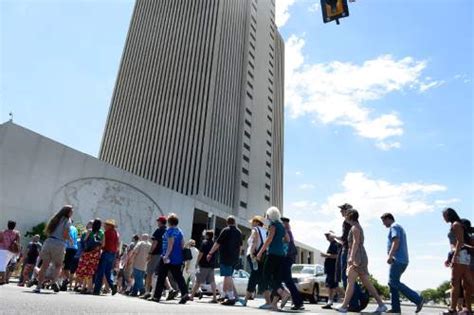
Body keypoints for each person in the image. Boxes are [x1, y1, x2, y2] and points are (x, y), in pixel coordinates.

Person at [336, 209, 388, 313]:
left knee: (350, 282)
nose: (344, 216)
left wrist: (351, 257)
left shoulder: (355, 228)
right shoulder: (357, 227)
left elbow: (355, 243)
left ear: (350, 216)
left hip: (357, 257)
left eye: (346, 215)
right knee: (366, 282)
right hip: (361, 256)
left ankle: (344, 306)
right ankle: (381, 304)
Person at [380, 213, 424, 314]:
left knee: (393, 282)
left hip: (397, 259)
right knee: (392, 284)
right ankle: (395, 308)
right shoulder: (399, 227)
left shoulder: (394, 227)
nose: (383, 224)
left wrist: (390, 256)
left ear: (388, 219)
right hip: (402, 260)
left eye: (384, 221)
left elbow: (396, 241)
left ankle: (417, 299)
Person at [331, 203, 368, 312]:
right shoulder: (353, 223)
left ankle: (355, 302)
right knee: (351, 278)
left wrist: (333, 236)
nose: (341, 211)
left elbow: (346, 239)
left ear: (348, 211)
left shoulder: (348, 223)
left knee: (347, 278)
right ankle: (358, 299)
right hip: (351, 251)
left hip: (348, 251)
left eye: (342, 209)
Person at [256, 207, 291, 311]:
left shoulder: (273, 225)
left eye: (267, 215)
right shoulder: (281, 226)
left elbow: (268, 240)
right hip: (281, 255)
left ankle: (283, 293)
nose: (266, 217)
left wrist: (260, 252)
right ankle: (275, 304)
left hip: (272, 254)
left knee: (266, 276)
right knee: (276, 279)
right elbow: (287, 239)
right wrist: (279, 243)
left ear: (270, 215)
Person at [151, 213, 189, 304]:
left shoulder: (169, 231)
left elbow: (170, 244)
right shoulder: (180, 231)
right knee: (179, 277)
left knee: (161, 276)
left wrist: (166, 256)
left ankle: (156, 296)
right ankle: (185, 293)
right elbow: (182, 244)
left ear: (169, 222)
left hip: (168, 258)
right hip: (178, 258)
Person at [33, 206, 73, 293]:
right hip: (59, 243)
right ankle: (54, 282)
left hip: (49, 241)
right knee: (58, 265)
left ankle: (39, 286)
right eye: (71, 211)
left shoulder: (55, 218)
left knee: (44, 265)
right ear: (68, 212)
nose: (72, 213)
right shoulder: (67, 220)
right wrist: (70, 239)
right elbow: (65, 234)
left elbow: (49, 230)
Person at [442, 208, 473, 315]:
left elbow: (460, 242)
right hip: (462, 255)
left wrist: (455, 256)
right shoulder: (455, 224)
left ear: (450, 215)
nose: (444, 218)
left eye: (445, 215)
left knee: (455, 282)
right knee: (468, 283)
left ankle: (452, 309)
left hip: (460, 255)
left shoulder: (456, 224)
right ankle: (459, 309)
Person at [207, 215, 243, 306]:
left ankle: (231, 297)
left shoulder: (225, 230)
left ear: (227, 222)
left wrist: (210, 253)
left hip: (225, 256)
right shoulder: (239, 232)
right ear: (234, 222)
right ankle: (223, 295)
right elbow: (240, 246)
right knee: (228, 276)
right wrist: (238, 257)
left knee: (227, 276)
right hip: (234, 258)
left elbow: (217, 243)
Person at [281, 217, 304, 310]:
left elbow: (286, 246)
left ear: (285, 223)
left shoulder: (287, 232)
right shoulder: (287, 231)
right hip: (288, 258)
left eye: (282, 223)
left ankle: (298, 302)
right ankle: (297, 301)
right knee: (287, 280)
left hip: (287, 258)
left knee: (288, 280)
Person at [141, 216, 167, 299]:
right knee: (159, 274)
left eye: (158, 221)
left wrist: (150, 253)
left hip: (156, 254)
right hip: (164, 255)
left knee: (150, 273)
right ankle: (169, 289)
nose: (157, 223)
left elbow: (155, 243)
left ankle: (148, 292)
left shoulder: (158, 230)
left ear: (160, 222)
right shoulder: (167, 231)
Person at [75, 219, 104, 294]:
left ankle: (89, 288)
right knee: (91, 270)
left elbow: (84, 240)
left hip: (87, 253)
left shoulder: (90, 231)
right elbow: (103, 244)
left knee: (85, 270)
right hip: (96, 253)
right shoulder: (102, 233)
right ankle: (85, 287)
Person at [244, 215, 267, 306]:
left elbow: (254, 241)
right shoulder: (265, 230)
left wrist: (252, 254)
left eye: (253, 222)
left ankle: (245, 300)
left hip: (255, 255)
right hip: (263, 256)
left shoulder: (255, 229)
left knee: (254, 276)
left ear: (257, 222)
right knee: (260, 277)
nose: (252, 224)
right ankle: (268, 301)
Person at [189, 230, 217, 303]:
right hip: (211, 265)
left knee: (198, 281)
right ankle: (214, 297)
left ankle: (191, 296)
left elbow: (201, 254)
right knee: (212, 281)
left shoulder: (204, 243)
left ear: (207, 235)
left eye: (205, 234)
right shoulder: (214, 243)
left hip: (204, 265)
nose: (204, 235)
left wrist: (197, 262)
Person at [93, 219, 120, 295]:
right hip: (113, 254)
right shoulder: (116, 233)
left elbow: (103, 244)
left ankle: (96, 290)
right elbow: (118, 245)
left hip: (106, 253)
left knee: (100, 272)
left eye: (106, 225)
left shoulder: (106, 233)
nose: (104, 226)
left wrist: (99, 245)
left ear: (109, 226)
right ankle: (112, 286)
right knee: (108, 272)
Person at [321, 231, 340, 309]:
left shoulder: (335, 244)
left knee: (332, 285)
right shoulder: (333, 244)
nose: (326, 237)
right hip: (330, 268)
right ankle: (330, 301)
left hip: (333, 268)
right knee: (331, 285)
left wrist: (326, 255)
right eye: (326, 236)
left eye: (328, 235)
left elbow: (336, 256)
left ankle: (330, 301)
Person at [0, 220, 21, 285]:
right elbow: (18, 243)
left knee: (2, 265)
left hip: (3, 249)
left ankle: (2, 280)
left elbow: (0, 240)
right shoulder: (17, 233)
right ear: (14, 226)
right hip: (11, 251)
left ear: (7, 225)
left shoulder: (3, 232)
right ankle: (3, 279)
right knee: (4, 265)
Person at [60, 222, 79, 291]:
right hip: (74, 248)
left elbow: (68, 236)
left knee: (65, 266)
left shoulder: (68, 228)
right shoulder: (75, 229)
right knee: (67, 267)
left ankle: (67, 280)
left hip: (68, 247)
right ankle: (66, 283)